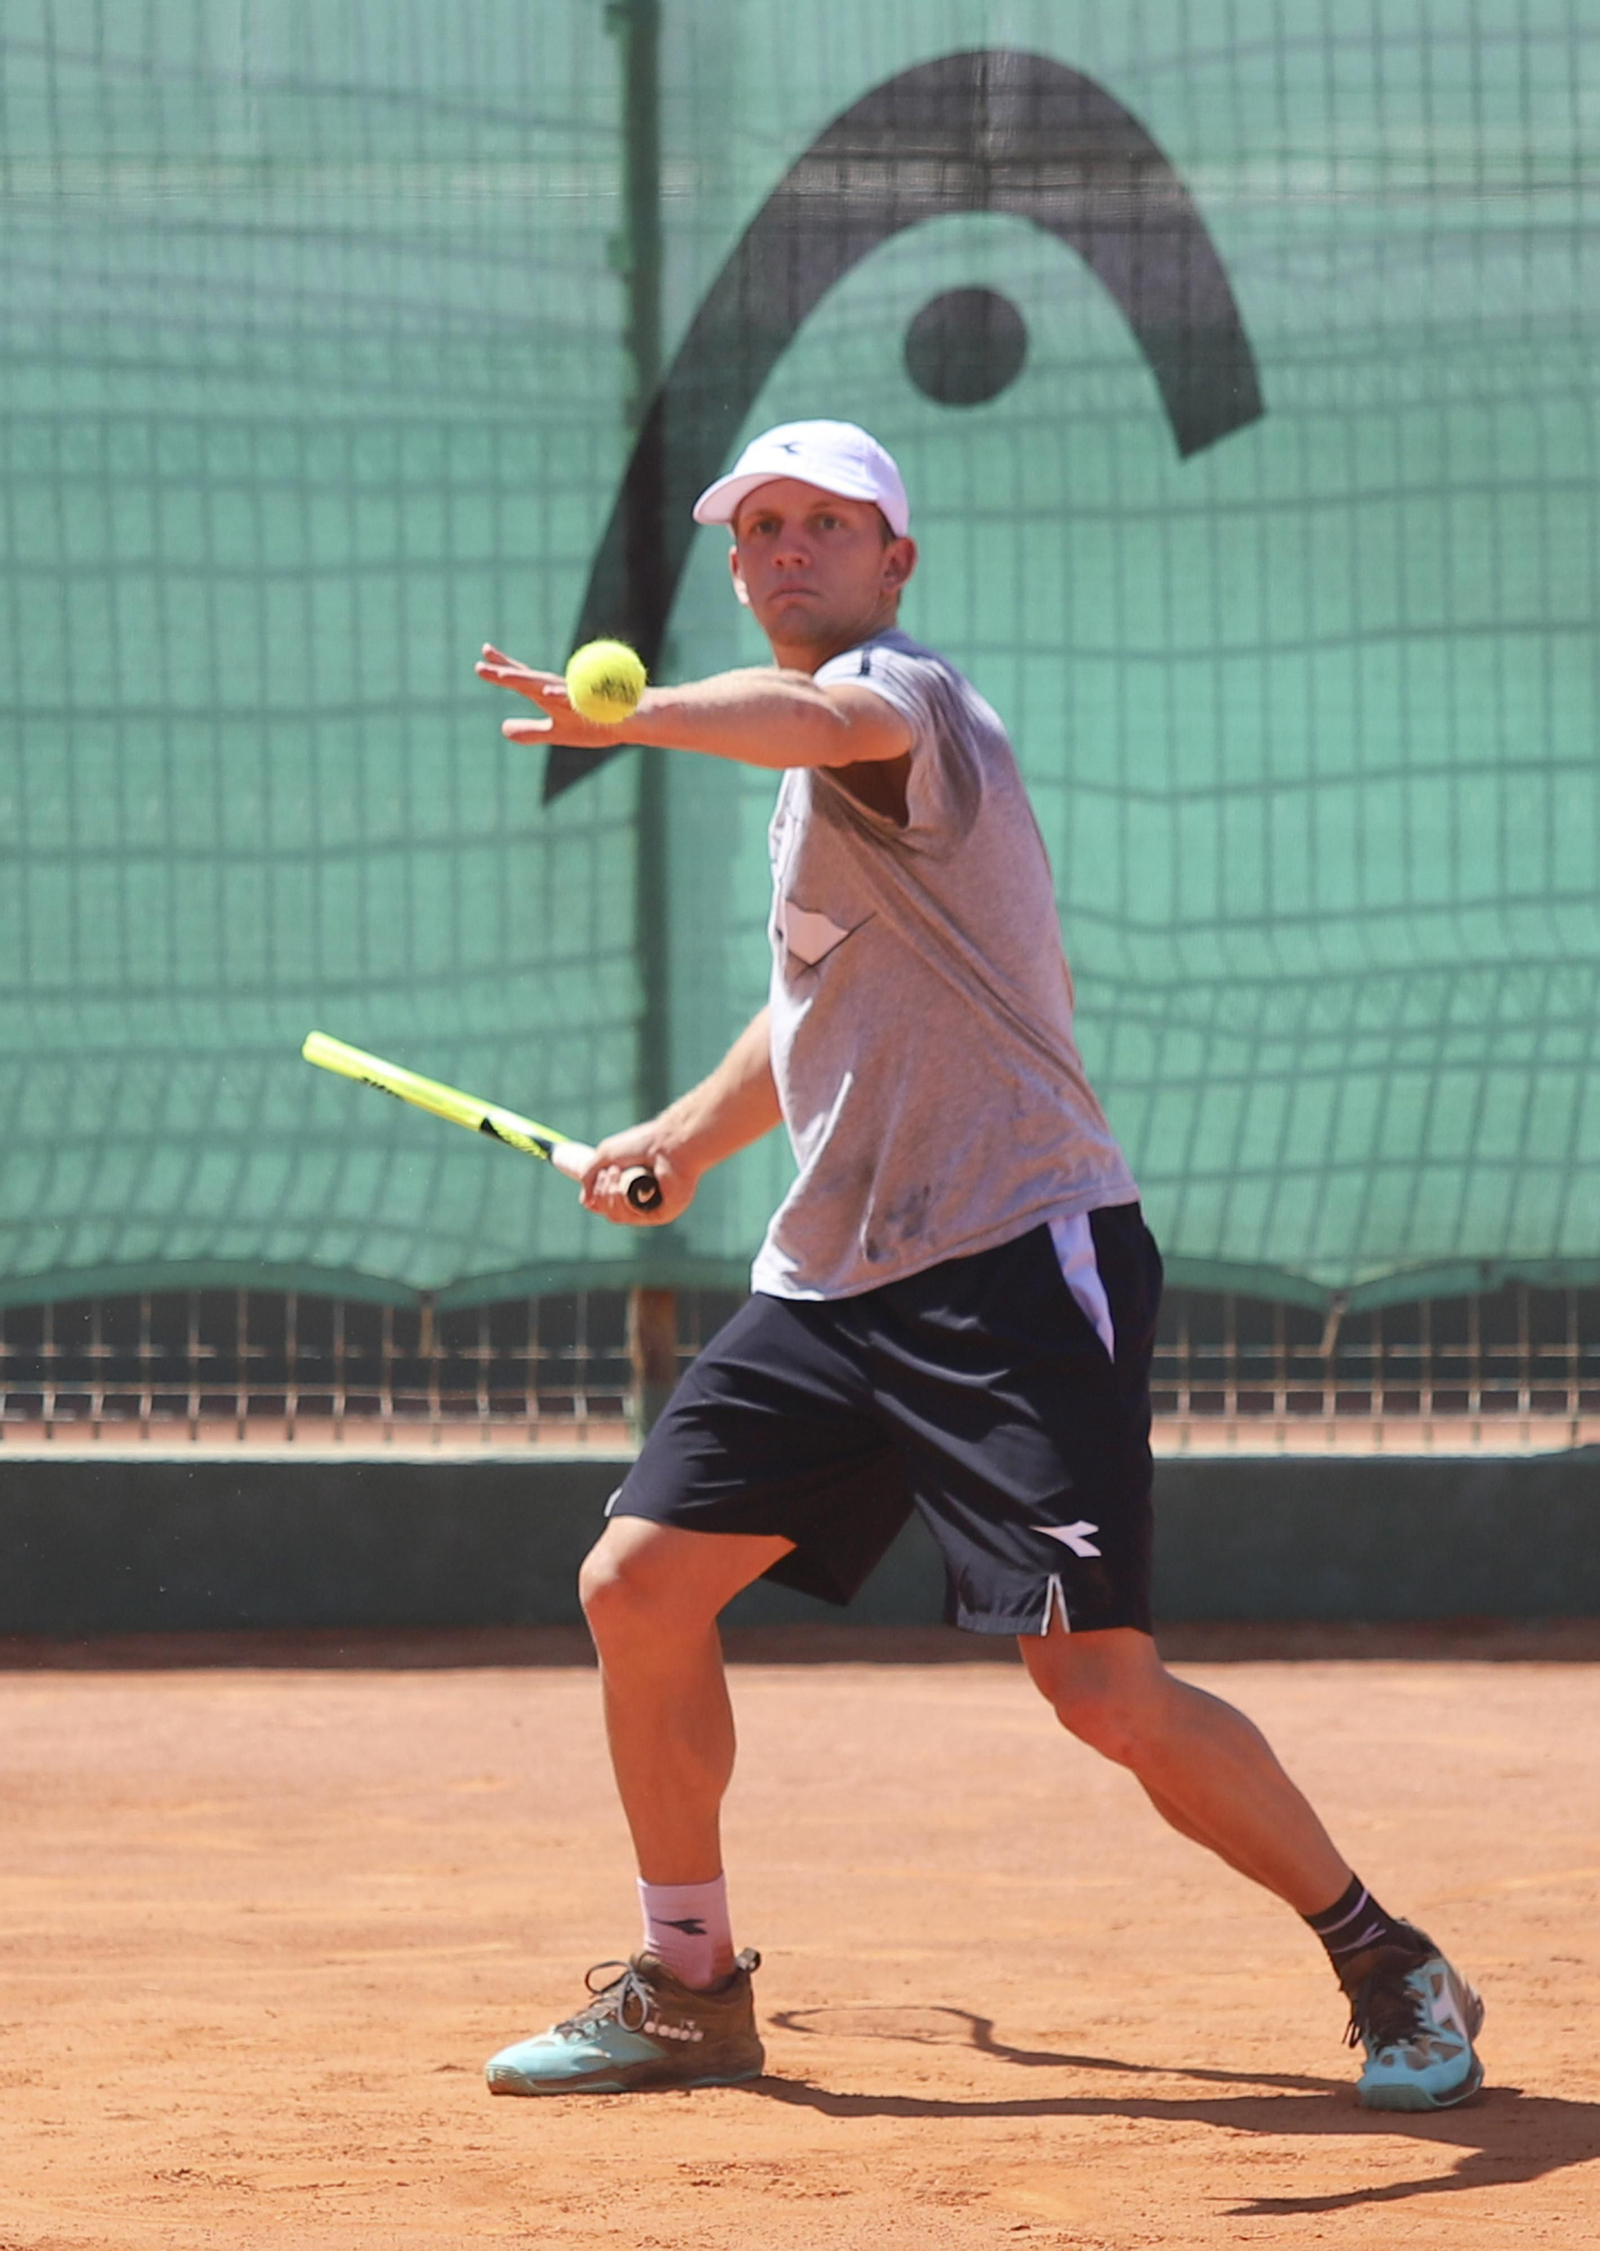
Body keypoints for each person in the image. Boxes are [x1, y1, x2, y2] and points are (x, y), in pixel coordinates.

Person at [474, 419, 1483, 2110]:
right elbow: (811, 1004)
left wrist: (635, 715)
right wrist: (683, 1141)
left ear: (895, 562)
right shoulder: (806, 787)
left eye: (826, 524)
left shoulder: (905, 704)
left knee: (1098, 1688)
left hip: (1014, 1257)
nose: (787, 549)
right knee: (636, 1587)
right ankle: (691, 1981)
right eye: (760, 527)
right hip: (836, 1280)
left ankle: (1389, 1960)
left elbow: (820, 718)